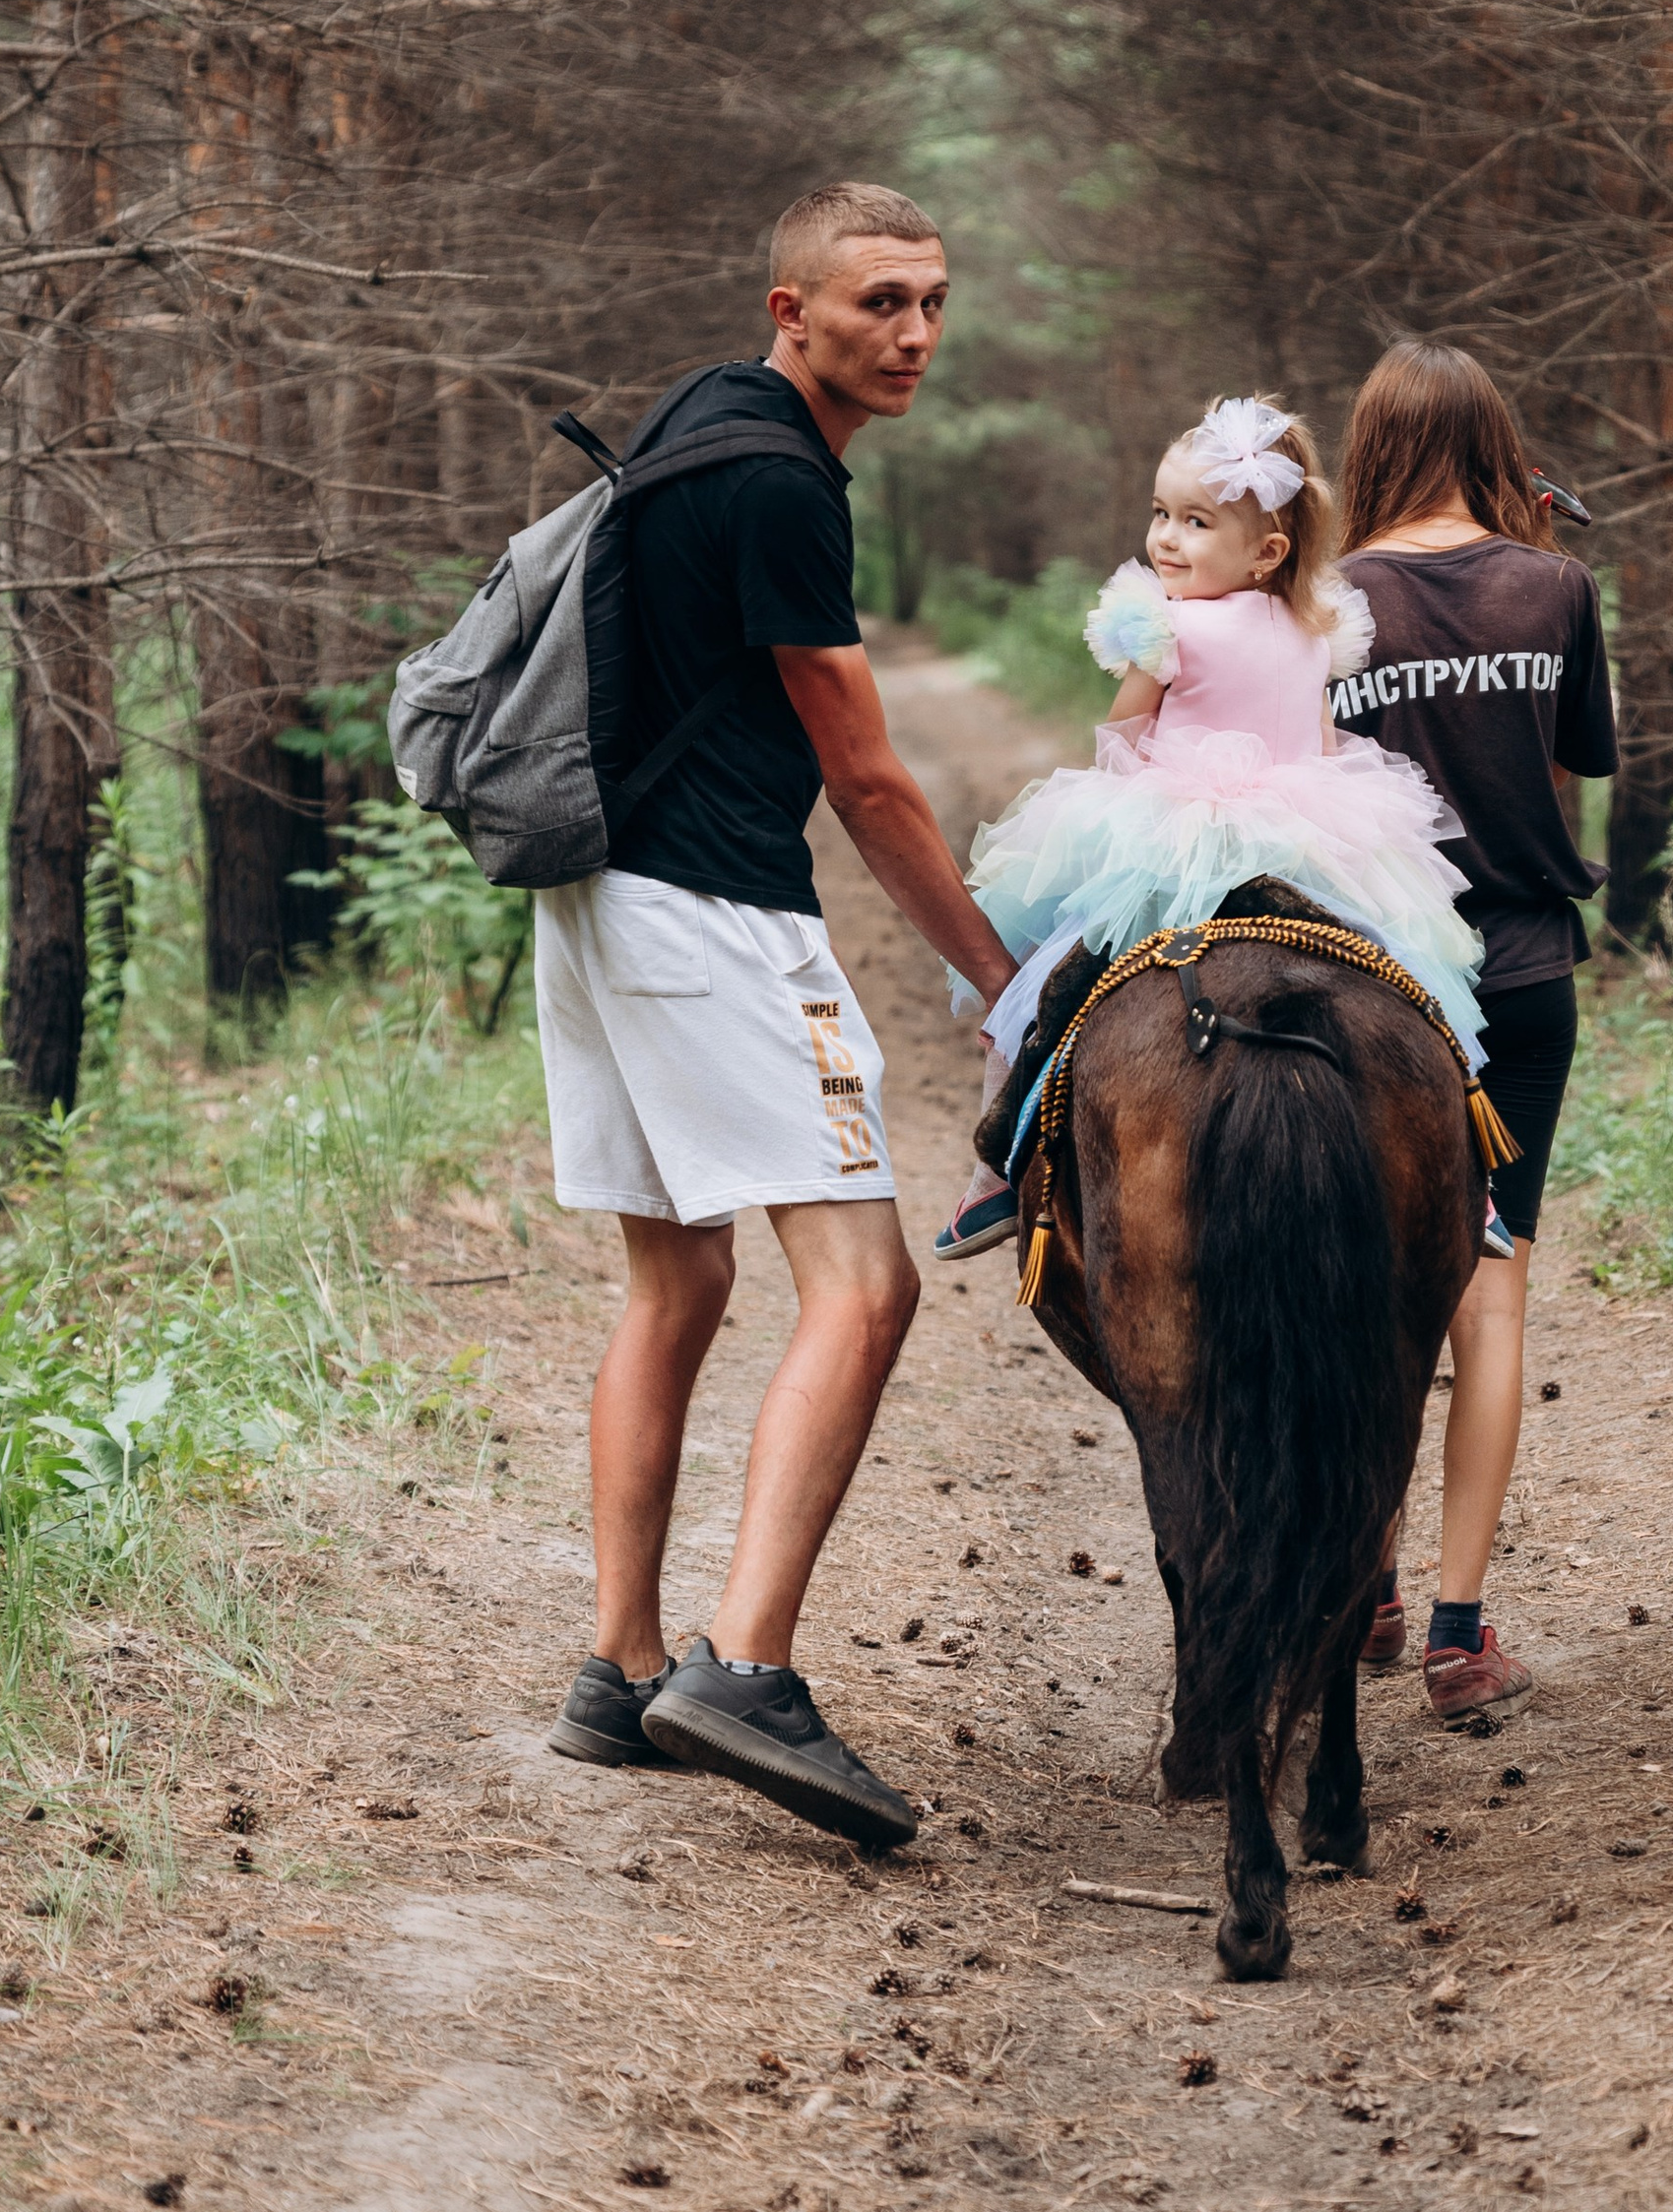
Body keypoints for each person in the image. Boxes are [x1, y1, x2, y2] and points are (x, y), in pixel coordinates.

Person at [540, 181, 1019, 1849]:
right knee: (867, 1281)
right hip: (713, 912)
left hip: (590, 903)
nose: (914, 333)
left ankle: (619, 1665)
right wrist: (1000, 973)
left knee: (678, 1273)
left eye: (933, 299)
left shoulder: (697, 421)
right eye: (879, 300)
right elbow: (871, 779)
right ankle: (746, 1666)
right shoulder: (783, 482)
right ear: (789, 310)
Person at [934, 396, 1485, 1257]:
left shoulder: (1164, 623)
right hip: (1307, 827)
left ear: (1268, 551)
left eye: (1195, 522)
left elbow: (1120, 738)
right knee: (1406, 965)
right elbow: (1322, 742)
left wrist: (1114, 806)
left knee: (1041, 988)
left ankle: (997, 1175)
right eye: (1161, 515)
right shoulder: (1320, 627)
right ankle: (1471, 1172)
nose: (1166, 539)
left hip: (1172, 829)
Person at [1333, 339, 1620, 1726]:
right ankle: (1457, 1628)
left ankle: (1366, 1588)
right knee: (1488, 1288)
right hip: (1514, 976)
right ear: (1502, 442)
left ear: (1370, 449)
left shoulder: (1324, 602)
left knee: (1371, 1288)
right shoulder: (1556, 583)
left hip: (1366, 988)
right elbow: (1558, 768)